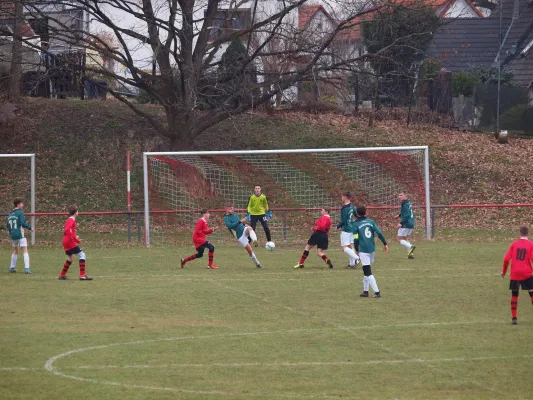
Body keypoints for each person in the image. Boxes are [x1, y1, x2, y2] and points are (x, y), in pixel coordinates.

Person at [353, 205, 388, 298]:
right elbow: (379, 233)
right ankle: (365, 291)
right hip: (372, 249)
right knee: (366, 269)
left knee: (367, 271)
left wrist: (356, 249)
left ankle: (377, 292)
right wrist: (385, 243)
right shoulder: (371, 222)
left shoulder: (355, 224)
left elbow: (356, 238)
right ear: (365, 212)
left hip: (363, 250)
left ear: (356, 213)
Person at [501, 226, 533, 325]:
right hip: (526, 273)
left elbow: (506, 259)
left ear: (519, 233)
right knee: (531, 292)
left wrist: (504, 272)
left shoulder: (514, 244)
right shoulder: (531, 245)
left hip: (514, 273)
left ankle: (514, 318)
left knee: (515, 294)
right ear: (528, 233)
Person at [223, 204, 263, 269]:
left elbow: (239, 222)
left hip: (243, 229)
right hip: (239, 236)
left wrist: (244, 223)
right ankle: (257, 263)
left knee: (250, 228)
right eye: (231, 208)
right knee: (250, 250)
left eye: (233, 208)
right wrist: (240, 221)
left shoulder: (235, 214)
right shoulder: (226, 218)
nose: (232, 209)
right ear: (226, 209)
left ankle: (255, 241)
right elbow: (230, 226)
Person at [58, 205, 92, 280]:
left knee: (71, 258)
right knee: (82, 255)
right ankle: (82, 275)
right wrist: (75, 239)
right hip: (69, 241)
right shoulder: (71, 220)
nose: (78, 212)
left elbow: (70, 232)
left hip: (65, 241)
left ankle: (62, 275)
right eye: (77, 211)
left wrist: (76, 239)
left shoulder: (69, 219)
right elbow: (67, 230)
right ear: (76, 212)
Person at [6, 199, 33, 274]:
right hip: (20, 234)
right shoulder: (20, 213)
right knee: (25, 250)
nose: (23, 205)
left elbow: (7, 225)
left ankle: (12, 267)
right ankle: (27, 269)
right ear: (18, 204)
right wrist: (30, 228)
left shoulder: (11, 214)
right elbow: (22, 223)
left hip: (13, 234)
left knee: (16, 251)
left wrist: (12, 232)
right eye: (22, 204)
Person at [337, 191, 360, 269]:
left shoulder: (344, 208)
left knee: (344, 247)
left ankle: (357, 258)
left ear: (345, 197)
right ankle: (352, 264)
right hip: (352, 228)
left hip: (346, 229)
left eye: (342, 196)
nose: (341, 198)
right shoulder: (352, 206)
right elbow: (357, 216)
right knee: (351, 246)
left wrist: (338, 226)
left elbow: (343, 221)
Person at [397, 192, 415, 259]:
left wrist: (401, 223)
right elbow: (407, 213)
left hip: (406, 223)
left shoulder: (404, 204)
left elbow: (407, 215)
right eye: (399, 195)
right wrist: (399, 215)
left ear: (405, 196)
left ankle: (411, 246)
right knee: (405, 239)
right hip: (411, 223)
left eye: (401, 195)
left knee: (399, 239)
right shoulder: (408, 203)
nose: (399, 196)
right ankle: (410, 255)